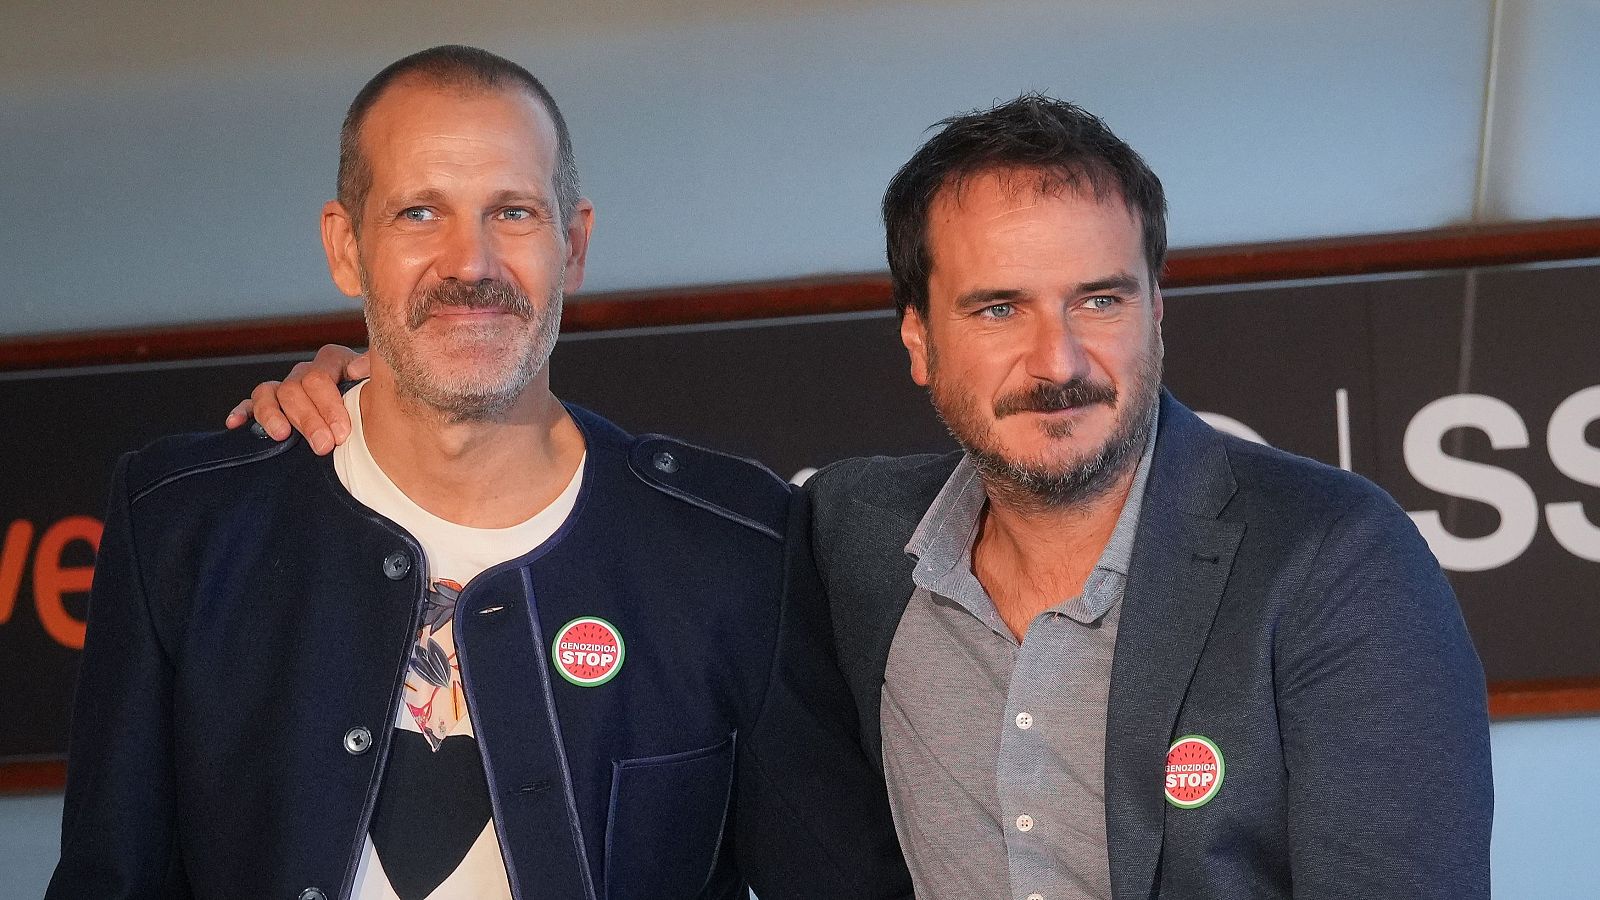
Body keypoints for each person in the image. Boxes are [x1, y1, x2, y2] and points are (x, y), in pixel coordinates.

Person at [237, 95, 1494, 899]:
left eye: (1099, 299)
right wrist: (370, 393)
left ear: (1159, 314)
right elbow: (589, 493)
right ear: (916, 342)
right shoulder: (843, 538)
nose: (1058, 360)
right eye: (997, 308)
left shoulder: (1330, 561)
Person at [49, 45, 908, 900]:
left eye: (514, 213)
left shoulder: (733, 547)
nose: (471, 264)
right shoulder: (183, 523)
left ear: (572, 246)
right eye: (420, 213)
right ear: (346, 248)